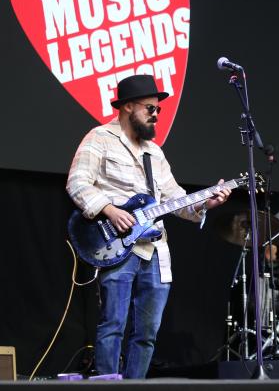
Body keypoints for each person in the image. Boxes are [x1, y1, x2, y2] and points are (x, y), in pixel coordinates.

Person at [66, 75, 231, 378]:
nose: (156, 115)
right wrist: (109, 209)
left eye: (158, 110)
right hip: (117, 246)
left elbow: (175, 198)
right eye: (150, 108)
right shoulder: (99, 138)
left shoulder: (155, 153)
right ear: (128, 106)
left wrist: (206, 203)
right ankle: (107, 383)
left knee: (147, 332)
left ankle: (135, 385)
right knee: (112, 325)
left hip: (155, 249)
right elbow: (77, 183)